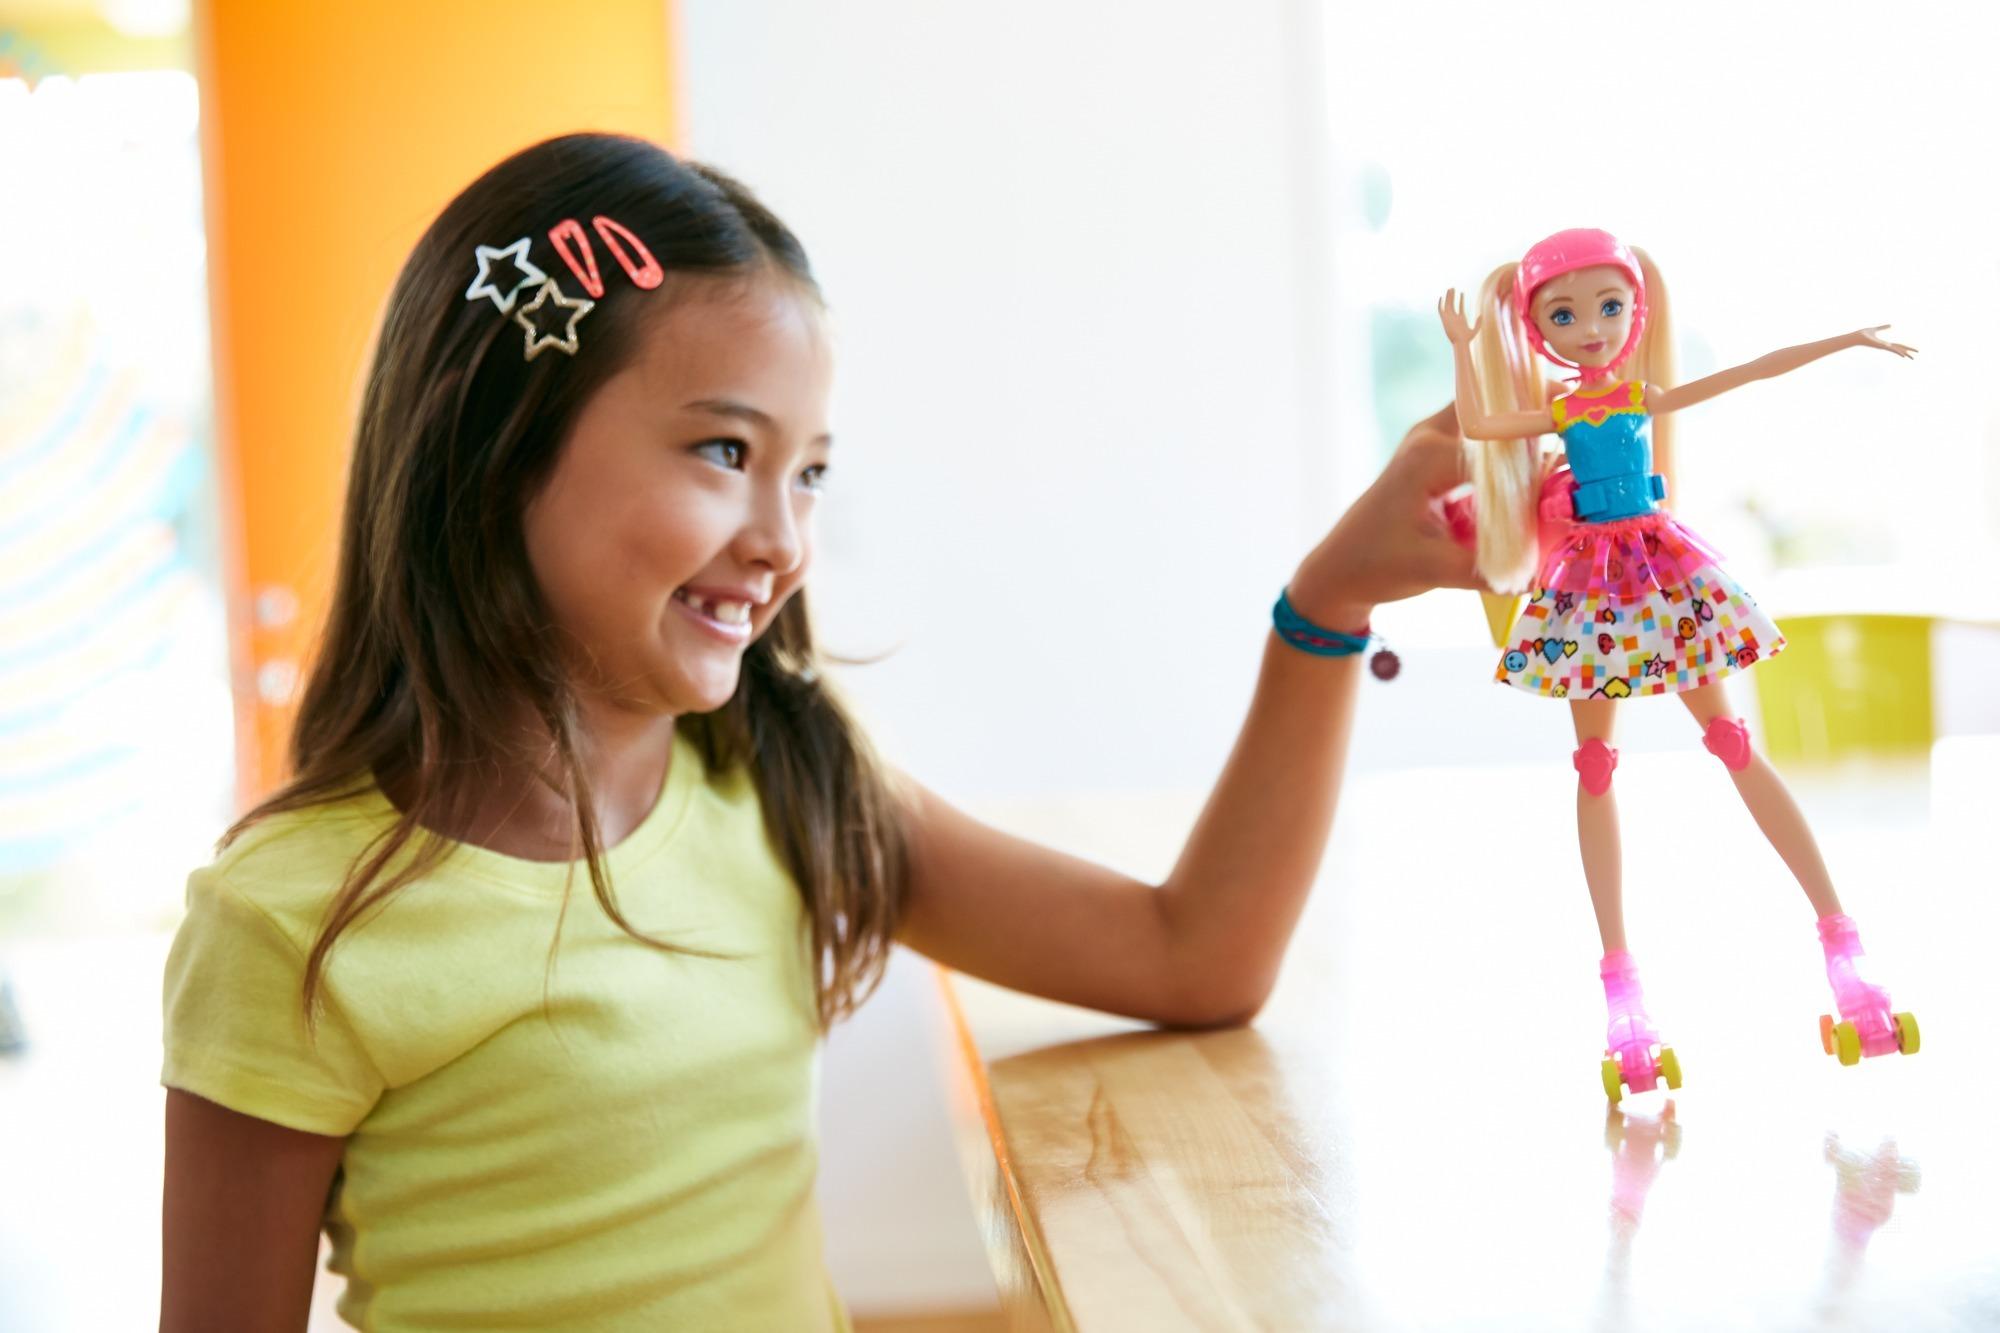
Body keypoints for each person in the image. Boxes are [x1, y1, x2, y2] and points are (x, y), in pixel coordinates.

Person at [159, 131, 1479, 1331]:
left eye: (810, 472)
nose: (784, 541)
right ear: (498, 447)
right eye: (725, 452)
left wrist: (1326, 604)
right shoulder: (290, 922)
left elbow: (1193, 958)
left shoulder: (782, 778)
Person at [1436, 227, 1921, 1101]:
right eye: (1564, 315)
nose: (1591, 328)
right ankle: (1622, 991)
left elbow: (1752, 372)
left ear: (1637, 310)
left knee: (1732, 739)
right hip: (1590, 584)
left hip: (1661, 571)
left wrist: (1843, 341)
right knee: (1595, 764)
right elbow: (1480, 426)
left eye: (1609, 307)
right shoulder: (1564, 412)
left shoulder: (1641, 395)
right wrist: (1466, 350)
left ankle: (1842, 942)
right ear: (1537, 329)